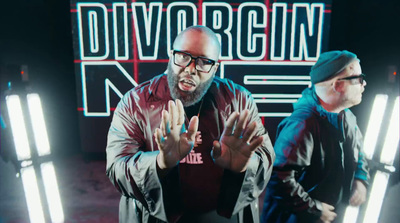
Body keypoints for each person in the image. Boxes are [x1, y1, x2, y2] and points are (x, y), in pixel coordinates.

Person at [106, 25, 275, 223]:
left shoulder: (239, 100)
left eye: (204, 62)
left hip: (220, 215)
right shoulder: (135, 102)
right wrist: (160, 163)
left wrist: (243, 167)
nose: (191, 69)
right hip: (155, 215)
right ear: (171, 55)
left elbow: (265, 159)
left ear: (215, 67)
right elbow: (117, 168)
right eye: (183, 56)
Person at [261, 50, 370, 223]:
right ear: (337, 85)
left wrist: (360, 178)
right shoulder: (303, 124)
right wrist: (313, 209)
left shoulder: (346, 117)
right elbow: (278, 179)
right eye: (358, 78)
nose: (364, 84)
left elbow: (358, 152)